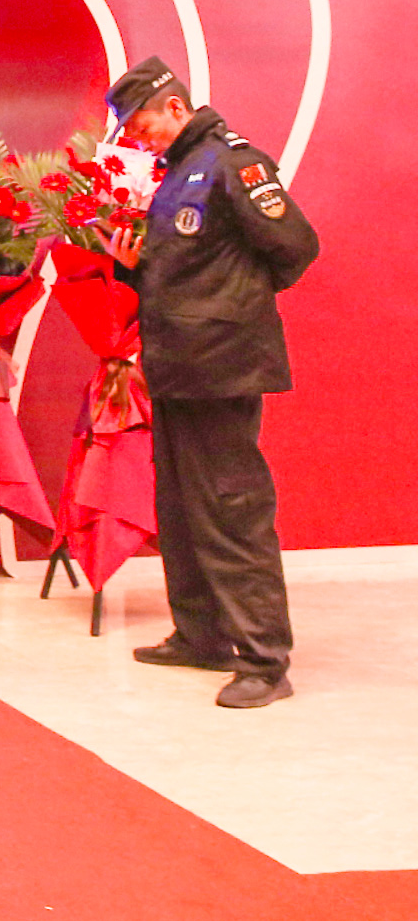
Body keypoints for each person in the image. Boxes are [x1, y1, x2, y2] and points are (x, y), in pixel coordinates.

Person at [104, 55, 320, 709]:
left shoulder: (234, 164)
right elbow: (186, 269)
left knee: (232, 511)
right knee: (180, 509)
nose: (139, 140)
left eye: (142, 126)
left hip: (221, 366)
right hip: (177, 365)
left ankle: (264, 661)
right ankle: (201, 636)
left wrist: (234, 307)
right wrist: (132, 267)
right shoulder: (179, 172)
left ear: (175, 107)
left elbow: (296, 246)